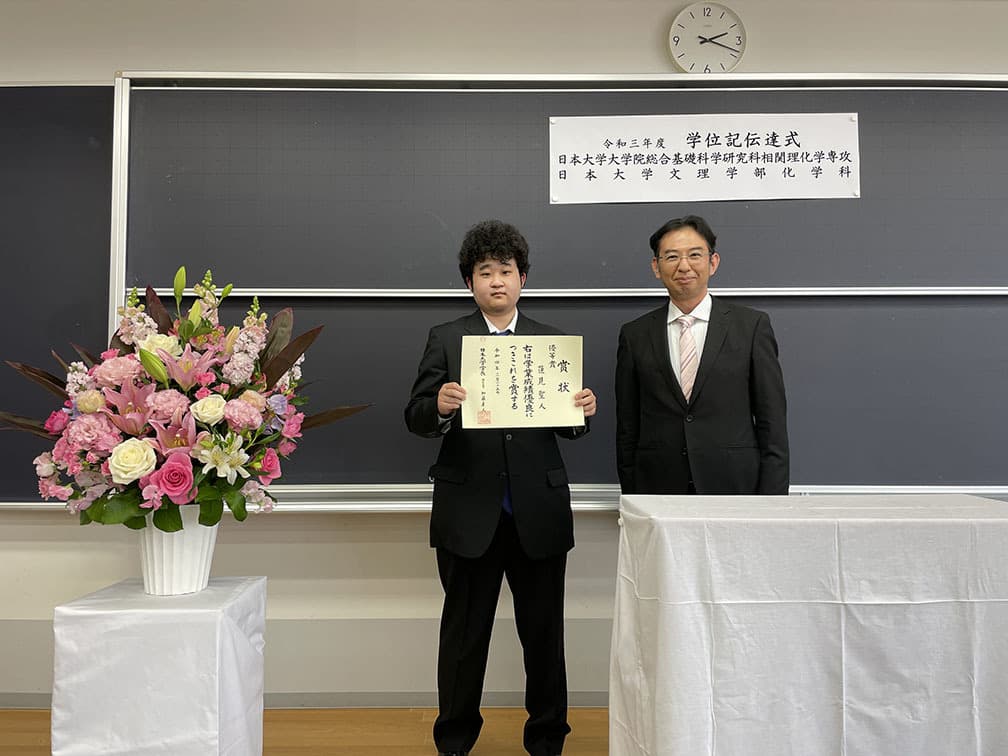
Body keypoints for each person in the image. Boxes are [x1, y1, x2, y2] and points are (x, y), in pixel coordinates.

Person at [405, 219, 597, 756]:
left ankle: (547, 740)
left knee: (544, 636)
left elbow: (570, 428)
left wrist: (582, 411)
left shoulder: (552, 344)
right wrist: (439, 407)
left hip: (538, 510)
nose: (496, 281)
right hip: (469, 513)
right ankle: (455, 741)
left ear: (522, 279)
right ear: (469, 281)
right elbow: (415, 416)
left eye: (506, 271)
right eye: (485, 272)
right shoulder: (446, 338)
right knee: (464, 639)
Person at [615, 214, 788, 495]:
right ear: (656, 267)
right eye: (672, 257)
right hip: (658, 490)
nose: (684, 266)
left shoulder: (752, 327)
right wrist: (632, 494)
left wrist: (772, 501)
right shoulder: (634, 335)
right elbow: (627, 428)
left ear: (713, 262)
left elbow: (773, 424)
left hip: (736, 488)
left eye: (695, 255)